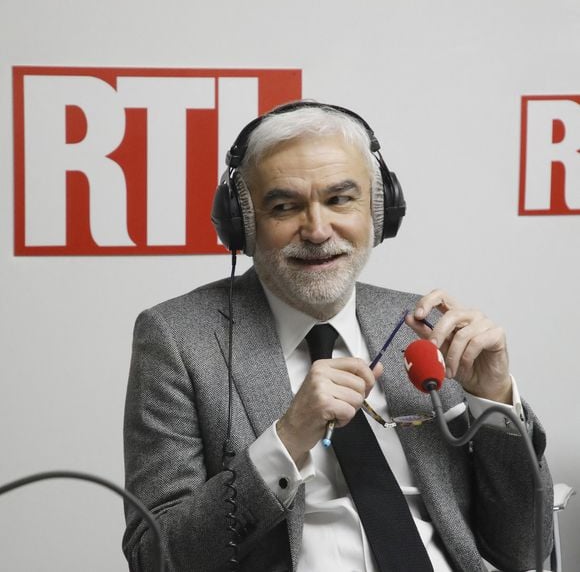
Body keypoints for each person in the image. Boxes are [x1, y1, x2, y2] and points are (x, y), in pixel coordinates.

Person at [122, 101, 553, 571]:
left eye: (340, 199)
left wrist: (493, 400)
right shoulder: (179, 338)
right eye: (285, 206)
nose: (317, 229)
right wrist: (285, 442)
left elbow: (521, 548)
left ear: (379, 208)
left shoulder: (424, 325)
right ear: (243, 224)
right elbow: (155, 558)